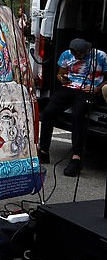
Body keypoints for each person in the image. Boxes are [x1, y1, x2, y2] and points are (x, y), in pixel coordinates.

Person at [38, 37, 107, 176]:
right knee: (48, 112)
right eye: (74, 54)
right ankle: (43, 151)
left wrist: (98, 88)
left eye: (79, 55)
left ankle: (76, 158)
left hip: (89, 89)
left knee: (78, 115)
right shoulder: (66, 55)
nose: (76, 57)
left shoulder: (101, 56)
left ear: (86, 50)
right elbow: (60, 73)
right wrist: (62, 78)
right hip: (70, 86)